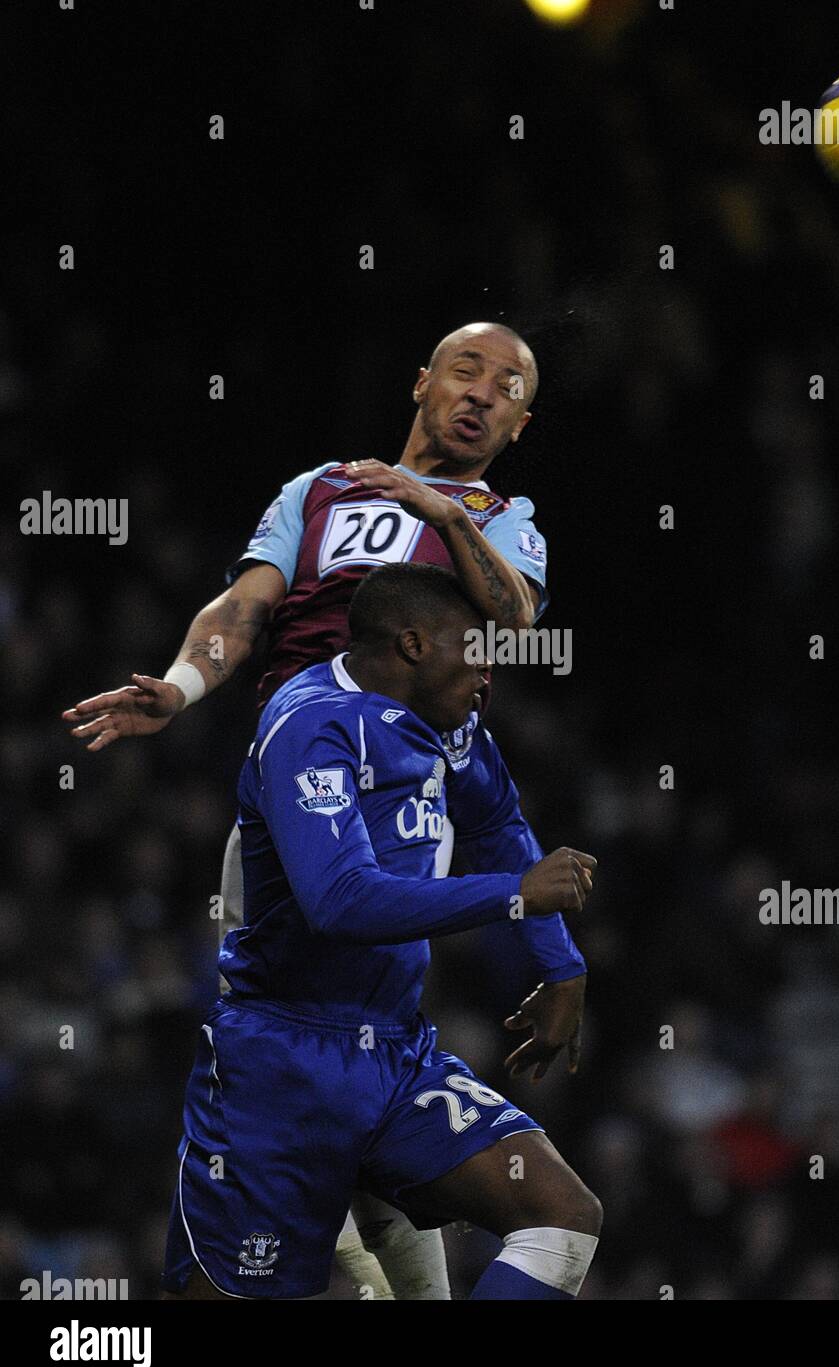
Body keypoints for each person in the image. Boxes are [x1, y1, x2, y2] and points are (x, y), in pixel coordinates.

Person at [64, 321, 564, 1298]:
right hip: (305, 801)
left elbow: (512, 618)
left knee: (363, 1055)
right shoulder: (319, 490)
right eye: (464, 368)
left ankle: (321, 1220)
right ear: (421, 380)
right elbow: (241, 609)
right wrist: (179, 685)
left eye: (505, 386)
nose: (479, 392)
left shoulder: (505, 519)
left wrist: (441, 512)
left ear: (518, 424)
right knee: (304, 1047)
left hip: (412, 808)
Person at [162, 565, 600, 1300]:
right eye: (475, 648)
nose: (490, 669)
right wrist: (513, 896)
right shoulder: (311, 725)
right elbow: (340, 902)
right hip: (280, 1065)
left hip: (395, 1053)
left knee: (563, 1216)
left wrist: (562, 967)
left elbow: (495, 822)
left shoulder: (449, 725)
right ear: (413, 644)